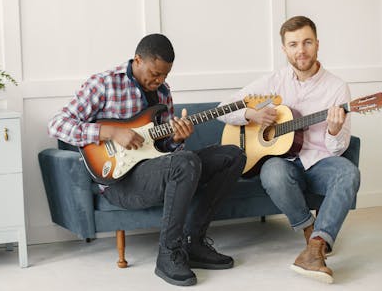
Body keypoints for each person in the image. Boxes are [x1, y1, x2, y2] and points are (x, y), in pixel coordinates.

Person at [48, 33, 246, 286]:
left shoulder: (163, 93)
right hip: (120, 182)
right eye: (155, 73)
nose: (159, 80)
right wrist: (109, 132)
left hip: (156, 170)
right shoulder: (104, 84)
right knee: (185, 162)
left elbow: (166, 149)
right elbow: (57, 124)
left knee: (233, 156)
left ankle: (193, 243)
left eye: (165, 75)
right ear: (138, 60)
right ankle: (168, 254)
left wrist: (176, 138)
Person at [218, 16, 360, 284]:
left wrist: (333, 130)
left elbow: (339, 148)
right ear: (284, 49)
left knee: (349, 173)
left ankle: (316, 246)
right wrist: (251, 114)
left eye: (307, 42)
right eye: (293, 44)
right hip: (283, 162)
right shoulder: (273, 82)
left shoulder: (337, 87)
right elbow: (225, 108)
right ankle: (309, 230)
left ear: (317, 44)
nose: (301, 50)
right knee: (272, 173)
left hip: (321, 162)